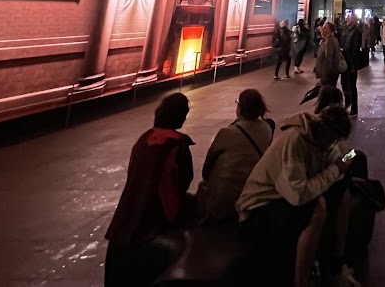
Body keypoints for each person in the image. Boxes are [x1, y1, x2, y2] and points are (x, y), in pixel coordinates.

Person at [237, 106, 354, 287]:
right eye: (332, 139)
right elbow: (298, 196)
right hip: (258, 209)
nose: (332, 144)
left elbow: (342, 157)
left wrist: (347, 157)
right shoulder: (294, 141)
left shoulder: (323, 141)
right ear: (323, 129)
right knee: (318, 206)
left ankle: (337, 262)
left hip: (284, 196)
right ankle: (301, 281)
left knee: (343, 189)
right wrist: (336, 169)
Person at [104, 93, 194, 287]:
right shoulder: (177, 145)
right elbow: (183, 181)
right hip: (157, 214)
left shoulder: (144, 140)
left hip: (130, 209)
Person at [196, 89, 274, 224]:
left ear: (240, 108)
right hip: (251, 193)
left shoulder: (227, 132)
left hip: (223, 202)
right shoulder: (267, 128)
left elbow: (207, 169)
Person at [339, 14, 364, 117]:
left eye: (349, 19)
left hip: (351, 63)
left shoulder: (356, 32)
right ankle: (348, 101)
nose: (347, 20)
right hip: (346, 61)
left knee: (352, 86)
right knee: (344, 83)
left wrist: (354, 64)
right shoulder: (347, 31)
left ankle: (354, 108)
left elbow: (355, 49)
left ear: (353, 20)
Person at [315, 22, 344, 88]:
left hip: (329, 76)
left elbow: (329, 60)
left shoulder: (330, 41)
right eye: (322, 27)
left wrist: (325, 77)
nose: (322, 29)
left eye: (325, 28)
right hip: (328, 75)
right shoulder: (325, 41)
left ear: (330, 30)